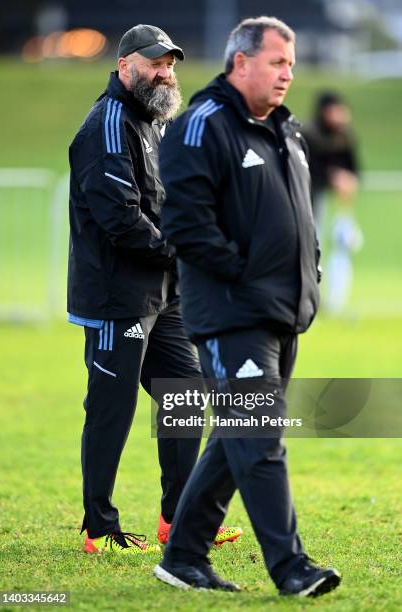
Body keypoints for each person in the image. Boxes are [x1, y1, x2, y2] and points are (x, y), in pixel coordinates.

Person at [154, 16, 341, 596]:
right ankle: (291, 569)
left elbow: (300, 220)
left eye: (291, 63)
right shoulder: (201, 126)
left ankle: (182, 555)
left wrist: (308, 275)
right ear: (240, 63)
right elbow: (184, 224)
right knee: (260, 435)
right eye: (277, 62)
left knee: (237, 436)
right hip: (232, 313)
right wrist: (245, 275)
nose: (288, 73)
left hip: (284, 312)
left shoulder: (287, 130)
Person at [67, 24, 242, 555]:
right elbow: (121, 219)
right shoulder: (110, 124)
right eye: (154, 63)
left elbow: (169, 203)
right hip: (116, 294)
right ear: (125, 67)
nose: (165, 72)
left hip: (162, 292)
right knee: (111, 409)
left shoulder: (153, 122)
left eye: (170, 64)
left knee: (185, 396)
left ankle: (178, 520)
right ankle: (99, 528)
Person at [303, 92, 363, 313]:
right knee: (311, 245)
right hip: (309, 199)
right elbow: (306, 168)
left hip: (339, 203)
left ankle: (336, 300)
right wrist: (332, 176)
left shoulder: (344, 135)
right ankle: (309, 297)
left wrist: (348, 179)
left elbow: (354, 168)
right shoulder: (308, 133)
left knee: (342, 245)